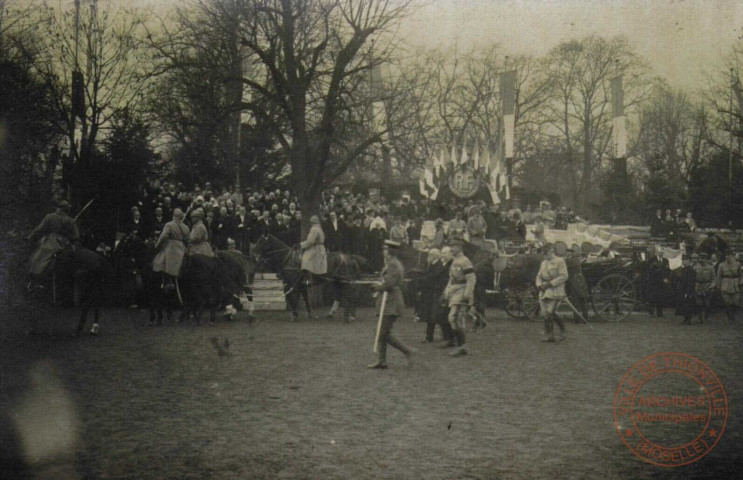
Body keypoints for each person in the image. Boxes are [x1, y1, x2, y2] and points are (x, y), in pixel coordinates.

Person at [368, 240, 416, 369]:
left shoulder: (393, 265)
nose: (383, 251)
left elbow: (389, 284)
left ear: (390, 252)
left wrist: (377, 287)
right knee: (382, 331)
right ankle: (382, 360)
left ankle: (407, 351)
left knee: (383, 332)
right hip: (387, 300)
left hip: (391, 302)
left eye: (385, 249)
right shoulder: (391, 263)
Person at [27, 200, 80, 276]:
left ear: (57, 208)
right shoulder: (70, 220)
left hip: (50, 241)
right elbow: (76, 236)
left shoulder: (49, 217)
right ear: (66, 209)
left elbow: (39, 229)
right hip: (64, 243)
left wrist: (31, 235)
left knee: (36, 259)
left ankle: (37, 277)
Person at [443, 240, 476, 357]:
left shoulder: (465, 261)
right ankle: (461, 345)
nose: (451, 248)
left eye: (453, 246)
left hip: (462, 291)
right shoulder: (455, 260)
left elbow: (471, 279)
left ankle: (462, 346)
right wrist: (446, 291)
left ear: (460, 247)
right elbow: (451, 278)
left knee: (453, 317)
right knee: (453, 318)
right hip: (454, 291)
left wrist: (467, 295)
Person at [536, 243, 569, 343]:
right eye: (544, 254)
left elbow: (564, 276)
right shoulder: (543, 263)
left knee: (550, 312)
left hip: (556, 290)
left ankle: (558, 332)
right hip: (544, 290)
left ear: (551, 251)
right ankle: (552, 334)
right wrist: (539, 285)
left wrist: (551, 283)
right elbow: (538, 276)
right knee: (545, 313)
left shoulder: (560, 261)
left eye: (547, 254)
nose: (545, 256)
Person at [152, 208, 190, 282]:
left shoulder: (169, 224)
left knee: (161, 263)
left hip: (171, 247)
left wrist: (157, 245)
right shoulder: (186, 227)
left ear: (173, 215)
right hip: (182, 247)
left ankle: (164, 282)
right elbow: (187, 240)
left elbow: (162, 237)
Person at [647, 245, 670, 317]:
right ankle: (651, 312)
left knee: (660, 297)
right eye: (660, 251)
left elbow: (667, 271)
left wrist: (666, 278)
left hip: (662, 282)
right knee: (652, 297)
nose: (661, 253)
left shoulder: (666, 260)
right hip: (653, 281)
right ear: (657, 252)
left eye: (662, 252)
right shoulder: (652, 259)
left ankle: (660, 313)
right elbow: (648, 270)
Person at [716, 253, 740, 322]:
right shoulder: (721, 265)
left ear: (732, 256)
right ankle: (730, 317)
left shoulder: (737, 264)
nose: (728, 257)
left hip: (735, 284)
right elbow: (719, 276)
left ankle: (733, 314)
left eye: (729, 255)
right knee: (727, 302)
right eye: (726, 256)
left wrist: (741, 283)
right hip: (725, 284)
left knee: (735, 301)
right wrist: (718, 286)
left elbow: (741, 275)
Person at [692, 253, 715, 323]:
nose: (702, 260)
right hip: (698, 285)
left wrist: (712, 285)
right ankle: (700, 318)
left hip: (707, 285)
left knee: (707, 303)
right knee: (699, 303)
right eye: (701, 258)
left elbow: (714, 278)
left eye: (704, 258)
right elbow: (693, 277)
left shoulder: (711, 267)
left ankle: (706, 317)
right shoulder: (696, 267)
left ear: (706, 259)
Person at [674, 255, 697, 325]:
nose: (683, 261)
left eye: (684, 260)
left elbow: (691, 282)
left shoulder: (691, 270)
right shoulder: (683, 270)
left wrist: (688, 291)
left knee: (688, 305)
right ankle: (685, 318)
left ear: (688, 261)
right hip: (682, 289)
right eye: (683, 260)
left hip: (688, 290)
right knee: (684, 305)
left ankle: (688, 319)